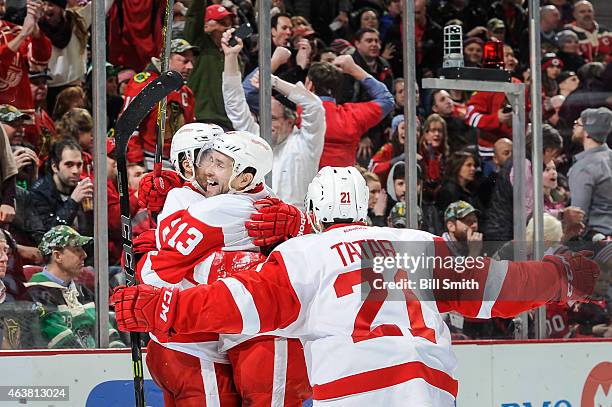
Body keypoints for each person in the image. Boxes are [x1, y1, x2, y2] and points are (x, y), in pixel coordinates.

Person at [113, 165, 600, 406]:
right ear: (364, 208)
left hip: (352, 390)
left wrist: (162, 308)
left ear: (313, 211)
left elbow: (236, 303)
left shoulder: (304, 254)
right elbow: (495, 288)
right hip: (428, 387)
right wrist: (561, 277)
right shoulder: (416, 243)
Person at [137, 130, 311, 406]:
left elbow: (155, 268)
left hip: (255, 339)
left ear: (244, 177)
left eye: (219, 163)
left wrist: (300, 225)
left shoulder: (227, 206)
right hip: (206, 343)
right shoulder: (248, 200)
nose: (207, 170)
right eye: (208, 159)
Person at [221, 28, 326, 209]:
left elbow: (314, 106)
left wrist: (274, 82)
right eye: (263, 119)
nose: (267, 125)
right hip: (260, 223)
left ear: (290, 120)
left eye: (273, 119)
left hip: (297, 224)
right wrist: (230, 57)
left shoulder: (307, 143)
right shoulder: (257, 137)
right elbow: (235, 105)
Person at [26, 225, 125, 348]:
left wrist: (117, 354)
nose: (84, 255)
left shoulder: (83, 290)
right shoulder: (36, 292)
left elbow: (106, 329)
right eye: (76, 249)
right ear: (57, 256)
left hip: (98, 363)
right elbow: (62, 344)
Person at [121, 38, 197, 170]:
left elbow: (189, 131)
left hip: (177, 164)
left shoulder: (186, 92)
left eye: (191, 61)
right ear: (166, 59)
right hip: (147, 162)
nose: (190, 67)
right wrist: (136, 163)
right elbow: (127, 126)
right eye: (184, 61)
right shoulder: (145, 84)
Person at [29, 139, 92, 243]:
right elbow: (48, 237)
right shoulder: (39, 193)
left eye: (79, 165)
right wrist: (73, 202)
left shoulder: (83, 188)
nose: (75, 171)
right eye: (69, 164)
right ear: (55, 167)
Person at [568, 107, 612, 238]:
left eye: (578, 123)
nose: (574, 127)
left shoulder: (584, 167)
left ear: (587, 132)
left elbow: (578, 217)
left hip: (597, 241)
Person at [0, 0, 51, 112]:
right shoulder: (20, 34)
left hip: (21, 116)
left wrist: (35, 31)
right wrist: (23, 35)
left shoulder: (14, 31)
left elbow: (39, 64)